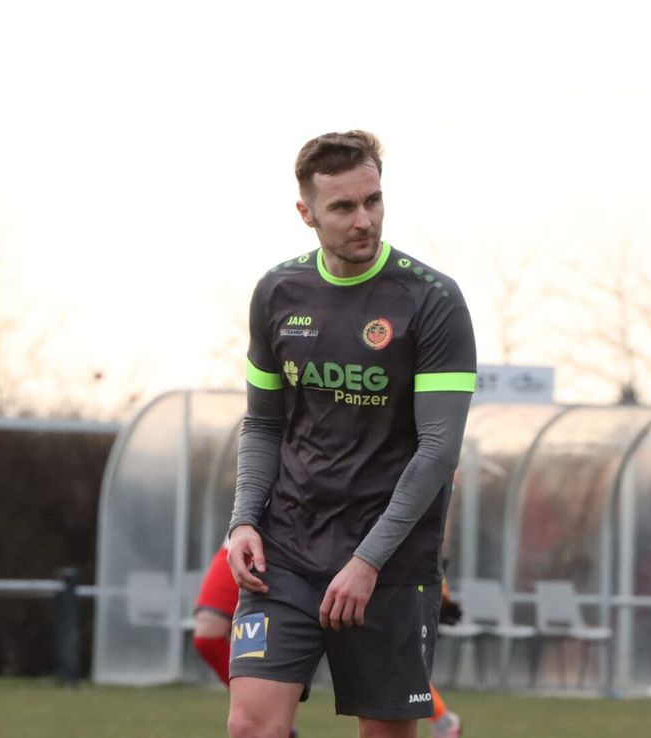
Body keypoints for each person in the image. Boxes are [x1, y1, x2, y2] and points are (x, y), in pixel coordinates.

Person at [226, 130, 476, 738]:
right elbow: (262, 423)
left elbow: (438, 450)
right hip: (287, 549)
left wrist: (367, 562)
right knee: (250, 728)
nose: (364, 220)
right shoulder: (277, 293)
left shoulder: (433, 301)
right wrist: (243, 520)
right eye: (343, 207)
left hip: (389, 562)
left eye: (374, 200)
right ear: (306, 213)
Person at [195, 545, 462, 737]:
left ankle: (441, 718)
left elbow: (429, 493)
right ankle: (268, 718)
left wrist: (435, 576)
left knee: (380, 657)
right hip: (265, 541)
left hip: (352, 551)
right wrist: (242, 520)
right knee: (207, 635)